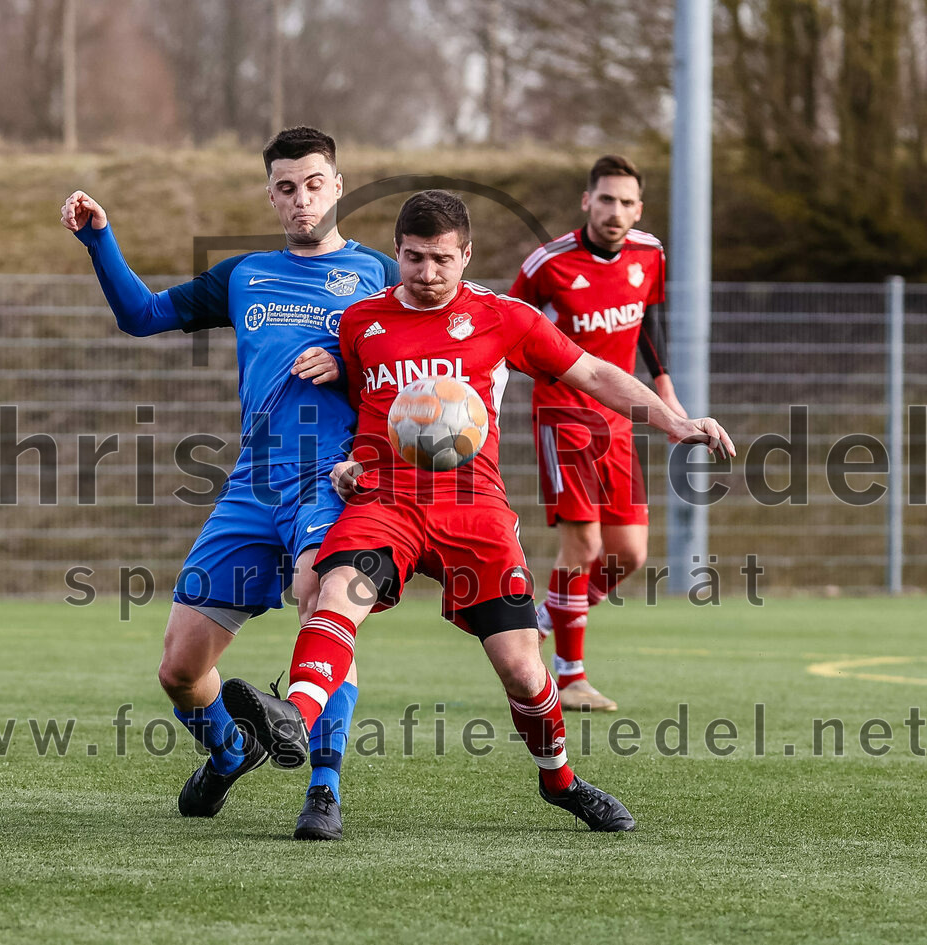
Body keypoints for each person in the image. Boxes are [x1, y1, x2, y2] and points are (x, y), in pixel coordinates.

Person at [222, 190, 734, 832]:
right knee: (333, 595)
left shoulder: (504, 318)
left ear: (467, 255)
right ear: (398, 254)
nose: (428, 275)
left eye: (442, 260)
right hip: (386, 501)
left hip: (475, 511)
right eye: (413, 260)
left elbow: (596, 375)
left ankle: (562, 781)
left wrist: (673, 421)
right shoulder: (360, 324)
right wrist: (346, 464)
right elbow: (352, 412)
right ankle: (293, 716)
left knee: (523, 671)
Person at [60, 126, 399, 841]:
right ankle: (229, 749)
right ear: (271, 194)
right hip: (253, 482)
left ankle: (324, 788)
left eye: (314, 184)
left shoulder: (380, 275)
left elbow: (418, 364)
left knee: (323, 603)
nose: (301, 199)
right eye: (285, 187)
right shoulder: (245, 275)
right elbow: (141, 316)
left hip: (334, 476)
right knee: (180, 668)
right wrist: (101, 240)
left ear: (337, 186)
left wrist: (349, 363)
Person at [509, 154, 688, 713]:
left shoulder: (649, 253)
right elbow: (511, 326)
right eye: (606, 199)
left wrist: (665, 389)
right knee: (583, 545)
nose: (617, 211)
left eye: (628, 202)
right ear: (587, 201)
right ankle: (569, 676)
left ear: (639, 208)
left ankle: (540, 623)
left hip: (620, 418)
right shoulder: (548, 263)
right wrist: (541, 375)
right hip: (563, 415)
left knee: (629, 553)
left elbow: (651, 321)